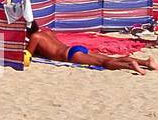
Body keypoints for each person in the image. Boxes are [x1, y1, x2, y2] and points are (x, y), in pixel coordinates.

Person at [25, 22, 154, 75]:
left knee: (104, 63)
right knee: (108, 58)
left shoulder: (35, 37)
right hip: (74, 48)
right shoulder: (46, 32)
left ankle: (130, 65)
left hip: (70, 55)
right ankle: (145, 62)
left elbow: (27, 58)